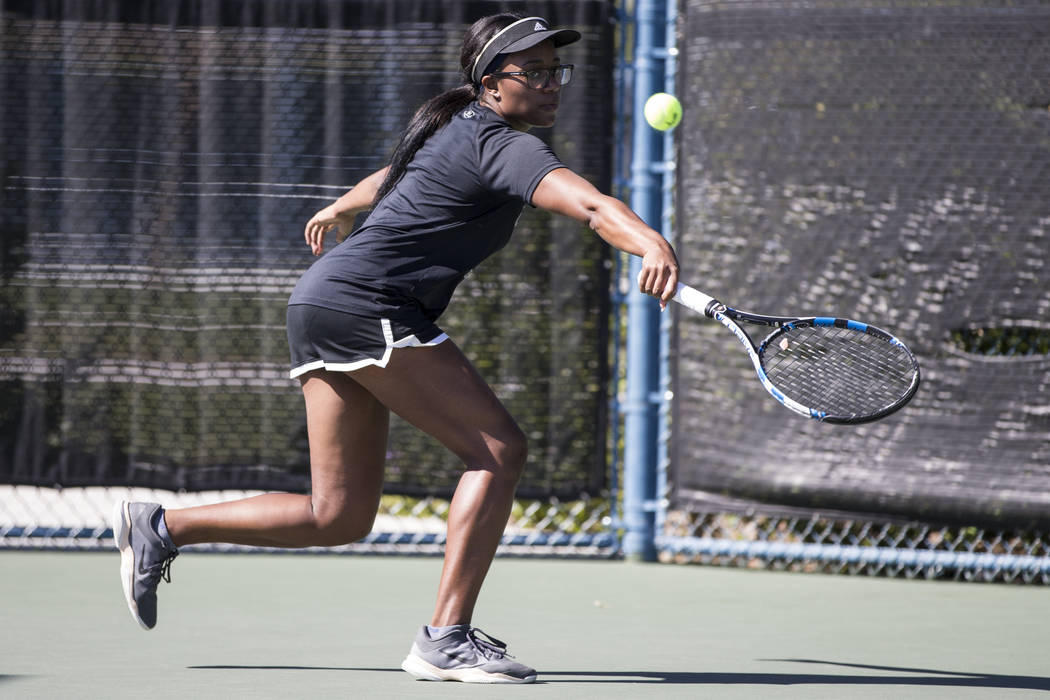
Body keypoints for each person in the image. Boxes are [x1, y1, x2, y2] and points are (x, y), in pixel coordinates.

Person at [112, 12, 678, 684]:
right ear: (492, 83)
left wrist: (342, 207)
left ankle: (161, 525)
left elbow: (393, 177)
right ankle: (446, 638)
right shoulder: (508, 146)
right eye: (536, 71)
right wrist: (651, 242)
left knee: (338, 514)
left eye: (559, 70)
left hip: (323, 303)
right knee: (497, 450)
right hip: (369, 308)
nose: (553, 83)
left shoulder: (454, 126)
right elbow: (588, 206)